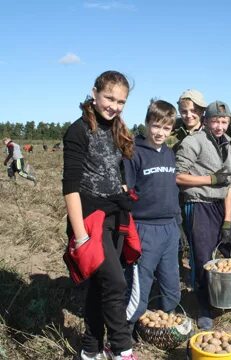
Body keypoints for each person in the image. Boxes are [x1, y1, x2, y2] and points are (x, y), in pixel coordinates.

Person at [62, 70, 140, 360]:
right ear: (94, 93)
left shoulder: (117, 128)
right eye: (109, 98)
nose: (114, 106)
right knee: (116, 283)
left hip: (114, 217)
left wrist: (121, 188)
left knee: (100, 286)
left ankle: (90, 349)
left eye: (121, 101)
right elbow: (70, 188)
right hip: (90, 221)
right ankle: (122, 349)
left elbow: (115, 170)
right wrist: (80, 235)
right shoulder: (78, 130)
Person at [176, 100, 231, 330]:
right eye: (215, 120)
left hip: (220, 207)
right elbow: (178, 176)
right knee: (203, 258)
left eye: (224, 121)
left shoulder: (228, 145)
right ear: (206, 121)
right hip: (199, 205)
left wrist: (227, 220)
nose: (219, 125)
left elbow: (228, 185)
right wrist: (210, 180)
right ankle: (204, 307)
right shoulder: (192, 142)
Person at [124, 100, 181, 337]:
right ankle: (126, 332)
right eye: (156, 126)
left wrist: (178, 226)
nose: (160, 133)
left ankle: (162, 328)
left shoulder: (168, 153)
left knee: (171, 285)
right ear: (147, 123)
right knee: (140, 284)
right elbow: (126, 192)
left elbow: (171, 191)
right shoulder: (133, 153)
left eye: (166, 128)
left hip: (170, 228)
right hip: (144, 228)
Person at [171, 89, 207, 287]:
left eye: (193, 111)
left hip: (202, 198)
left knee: (199, 243)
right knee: (177, 239)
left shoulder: (210, 133)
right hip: (177, 196)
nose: (188, 115)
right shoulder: (176, 134)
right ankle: (175, 278)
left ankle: (198, 284)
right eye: (184, 111)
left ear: (202, 111)